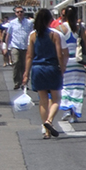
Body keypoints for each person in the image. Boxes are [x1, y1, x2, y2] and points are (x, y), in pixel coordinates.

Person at [24, 9, 66, 139]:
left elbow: (30, 55)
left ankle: (46, 131)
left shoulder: (32, 35)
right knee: (56, 99)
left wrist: (26, 73)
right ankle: (49, 121)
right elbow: (60, 54)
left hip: (37, 69)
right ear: (49, 20)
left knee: (42, 101)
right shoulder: (55, 35)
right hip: (51, 68)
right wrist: (62, 68)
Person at [57, 7, 86, 122]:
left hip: (66, 61)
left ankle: (67, 110)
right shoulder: (80, 29)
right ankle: (74, 113)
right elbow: (85, 46)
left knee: (65, 87)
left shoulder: (60, 29)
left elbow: (57, 47)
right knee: (77, 88)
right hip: (78, 62)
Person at [3, 6, 35, 89]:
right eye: (18, 12)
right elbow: (8, 35)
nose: (20, 13)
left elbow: (32, 34)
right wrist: (6, 48)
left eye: (21, 12)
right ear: (15, 13)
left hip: (26, 46)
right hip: (15, 46)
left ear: (23, 12)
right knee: (16, 63)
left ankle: (25, 83)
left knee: (25, 65)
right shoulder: (12, 23)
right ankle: (17, 82)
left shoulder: (29, 22)